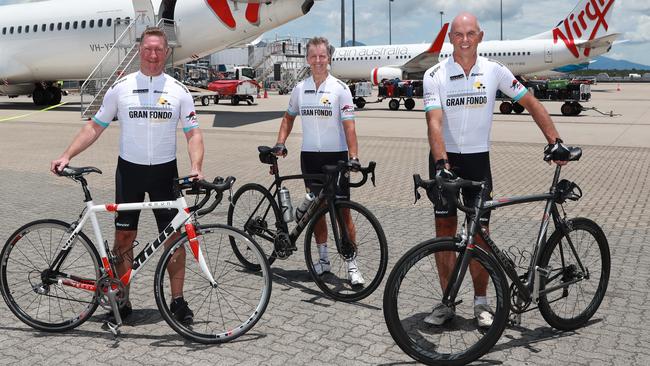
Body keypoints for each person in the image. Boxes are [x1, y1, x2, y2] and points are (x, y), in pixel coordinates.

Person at [422, 13, 568, 328]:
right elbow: (434, 121)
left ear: (480, 36)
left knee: (481, 236)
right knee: (444, 233)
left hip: (478, 162)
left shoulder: (493, 71)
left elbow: (531, 102)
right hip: (445, 162)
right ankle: (447, 301)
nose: (464, 39)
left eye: (470, 33)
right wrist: (441, 164)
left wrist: (555, 141)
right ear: (450, 38)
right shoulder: (435, 74)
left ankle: (481, 302)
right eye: (458, 34)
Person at [50, 27, 204, 324]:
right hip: (129, 172)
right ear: (139, 50)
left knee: (175, 238)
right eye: (148, 49)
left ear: (167, 52)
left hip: (165, 173)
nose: (153, 54)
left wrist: (196, 166)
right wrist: (67, 154)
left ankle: (178, 301)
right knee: (124, 238)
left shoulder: (178, 90)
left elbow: (193, 133)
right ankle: (122, 300)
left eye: (159, 49)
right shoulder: (121, 88)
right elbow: (94, 126)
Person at [273, 36, 365, 285]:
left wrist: (353, 156)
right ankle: (323, 259)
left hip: (336, 158)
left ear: (329, 58)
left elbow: (350, 127)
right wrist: (281, 142)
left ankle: (352, 264)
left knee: (343, 213)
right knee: (317, 213)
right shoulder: (300, 89)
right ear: (307, 59)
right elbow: (288, 117)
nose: (318, 61)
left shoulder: (340, 89)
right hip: (310, 158)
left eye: (322, 56)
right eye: (313, 56)